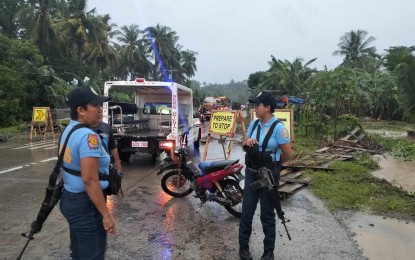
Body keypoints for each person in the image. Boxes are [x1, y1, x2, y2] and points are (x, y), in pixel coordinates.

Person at [59, 86, 116, 260]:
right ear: (80, 110)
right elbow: (90, 179)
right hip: (87, 205)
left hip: (70, 198)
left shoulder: (69, 130)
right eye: (95, 106)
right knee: (92, 255)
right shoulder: (88, 137)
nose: (100, 110)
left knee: (78, 252)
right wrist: (106, 214)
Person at [239, 91, 294, 260]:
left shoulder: (279, 128)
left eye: (258, 105)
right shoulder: (254, 124)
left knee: (267, 213)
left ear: (268, 107)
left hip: (269, 174)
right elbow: (244, 144)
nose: (255, 108)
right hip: (251, 173)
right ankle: (243, 247)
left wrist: (273, 165)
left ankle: (269, 251)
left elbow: (287, 154)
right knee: (247, 210)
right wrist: (246, 143)